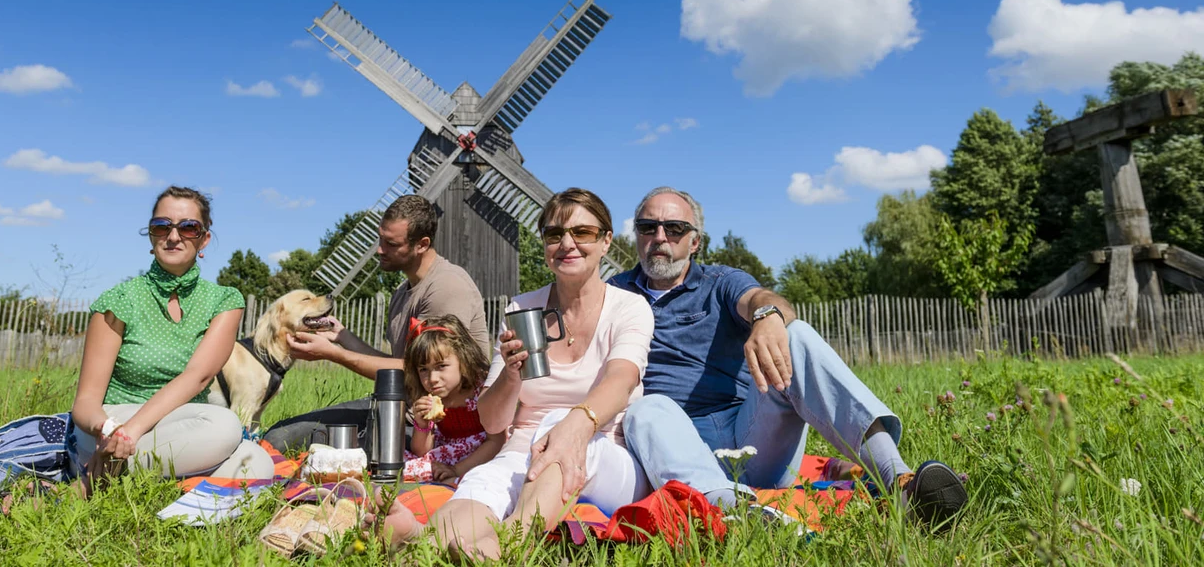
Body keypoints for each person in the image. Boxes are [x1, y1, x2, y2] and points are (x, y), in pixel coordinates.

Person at [611, 187, 967, 527]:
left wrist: (767, 317)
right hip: (671, 445)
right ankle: (731, 512)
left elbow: (761, 299)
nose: (660, 236)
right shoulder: (613, 294)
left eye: (674, 228)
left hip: (751, 438)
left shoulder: (719, 282)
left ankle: (899, 482)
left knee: (795, 333)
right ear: (636, 234)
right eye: (648, 226)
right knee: (647, 408)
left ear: (695, 242)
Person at [384, 188, 654, 560]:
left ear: (606, 241)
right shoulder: (522, 308)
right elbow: (493, 422)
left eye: (583, 232)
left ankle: (509, 546)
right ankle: (424, 547)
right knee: (482, 484)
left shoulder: (629, 308)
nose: (567, 243)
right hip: (522, 450)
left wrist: (574, 425)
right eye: (554, 234)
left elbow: (621, 380)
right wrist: (511, 374)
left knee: (557, 424)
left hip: (605, 452)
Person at [70, 186, 273, 495]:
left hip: (184, 425)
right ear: (151, 235)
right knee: (226, 428)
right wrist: (112, 431)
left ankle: (113, 479)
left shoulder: (223, 301)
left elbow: (198, 376)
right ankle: (108, 476)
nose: (173, 236)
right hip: (113, 422)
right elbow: (85, 403)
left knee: (257, 463)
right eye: (162, 226)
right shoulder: (120, 299)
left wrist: (132, 434)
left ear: (204, 239)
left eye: (188, 227)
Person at [262, 195, 489, 452]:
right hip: (399, 406)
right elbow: (401, 366)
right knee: (278, 437)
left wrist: (334, 355)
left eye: (391, 243)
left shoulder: (446, 288)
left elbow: (411, 371)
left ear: (422, 244)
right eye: (380, 239)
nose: (380, 250)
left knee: (316, 451)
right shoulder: (403, 291)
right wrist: (341, 336)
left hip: (436, 427)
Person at [400, 314, 504, 484]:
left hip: (481, 456)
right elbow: (421, 452)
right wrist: (422, 425)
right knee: (403, 463)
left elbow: (496, 442)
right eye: (423, 370)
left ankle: (456, 480)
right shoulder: (433, 397)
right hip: (447, 455)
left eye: (441, 366)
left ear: (464, 360)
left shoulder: (481, 392)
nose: (432, 378)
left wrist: (456, 469)